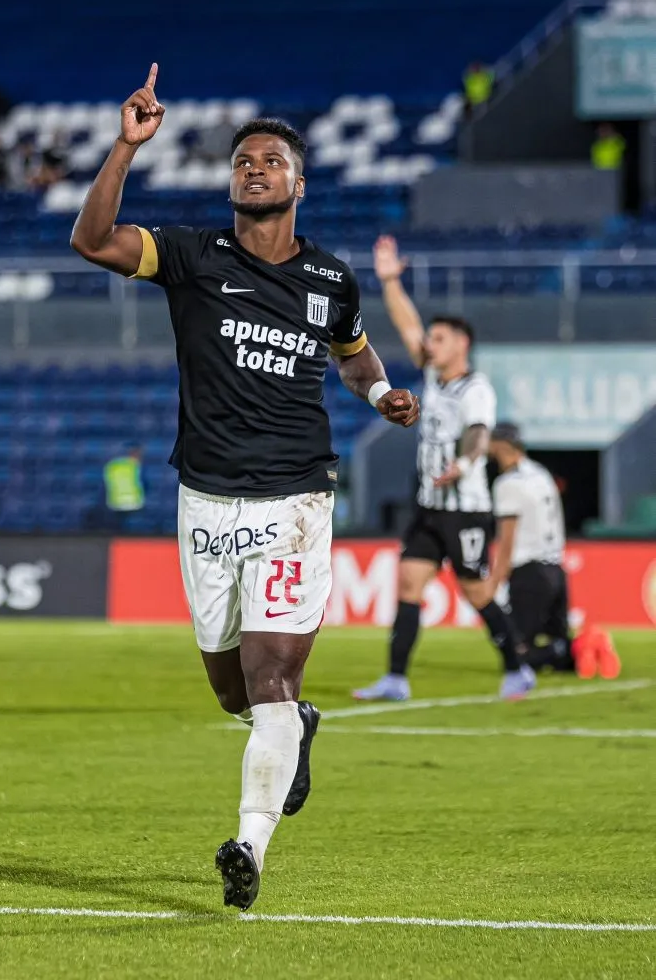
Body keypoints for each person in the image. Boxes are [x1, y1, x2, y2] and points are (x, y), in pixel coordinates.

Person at [71, 65, 420, 910]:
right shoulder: (191, 255)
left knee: (269, 680)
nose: (252, 169)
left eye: (269, 160)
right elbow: (91, 240)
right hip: (205, 500)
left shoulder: (330, 280)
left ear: (299, 182)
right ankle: (295, 730)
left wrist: (378, 391)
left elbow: (354, 350)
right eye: (242, 162)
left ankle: (249, 845)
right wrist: (125, 146)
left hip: (294, 502)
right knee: (233, 691)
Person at [353, 236, 534, 704]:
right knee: (409, 583)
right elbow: (408, 324)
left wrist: (465, 464)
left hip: (465, 508)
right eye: (431, 339)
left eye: (439, 339)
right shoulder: (436, 375)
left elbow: (478, 433)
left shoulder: (476, 388)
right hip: (430, 504)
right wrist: (391, 280)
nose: (428, 344)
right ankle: (395, 678)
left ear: (462, 345)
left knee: (476, 592)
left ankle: (518, 669)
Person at [488, 422, 620, 679]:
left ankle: (584, 644)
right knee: (562, 659)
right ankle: (582, 647)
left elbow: (507, 537)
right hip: (556, 570)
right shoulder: (541, 474)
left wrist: (496, 579)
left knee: (515, 655)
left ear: (500, 445)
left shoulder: (508, 484)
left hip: (530, 572)